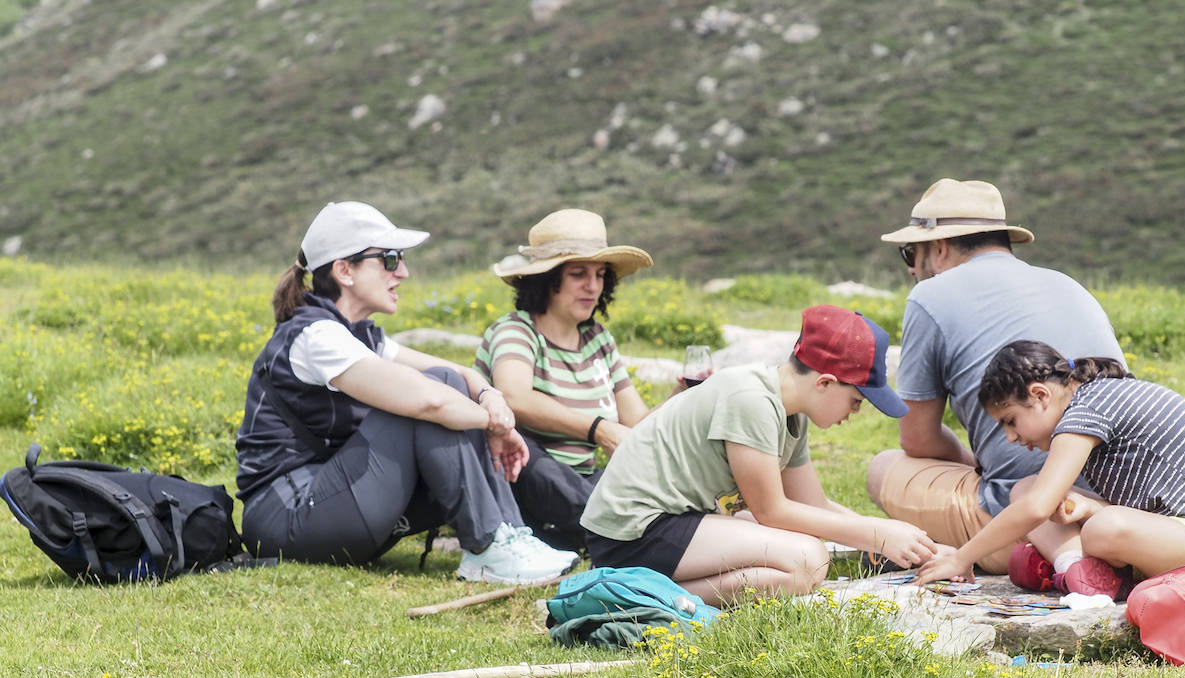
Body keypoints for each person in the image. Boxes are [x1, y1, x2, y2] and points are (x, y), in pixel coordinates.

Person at [235, 201, 577, 583]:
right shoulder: (316, 337)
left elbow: (459, 373)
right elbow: (431, 401)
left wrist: (490, 399)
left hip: (333, 498)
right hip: (286, 516)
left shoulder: (357, 334)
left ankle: (505, 537)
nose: (404, 272)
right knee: (429, 401)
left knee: (442, 384)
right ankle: (488, 546)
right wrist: (495, 426)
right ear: (344, 270)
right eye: (390, 259)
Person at [580, 305, 939, 608]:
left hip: (674, 522)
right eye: (857, 400)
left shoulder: (791, 411)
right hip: (633, 532)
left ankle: (645, 591)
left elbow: (814, 506)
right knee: (808, 561)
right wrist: (877, 533)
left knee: (801, 563)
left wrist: (917, 546)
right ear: (825, 382)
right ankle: (629, 596)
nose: (856, 413)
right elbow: (773, 512)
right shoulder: (751, 400)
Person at [866, 178, 1124, 573]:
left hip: (1025, 512)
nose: (911, 271)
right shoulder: (1068, 284)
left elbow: (917, 439)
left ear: (939, 248)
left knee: (882, 467)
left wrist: (977, 464)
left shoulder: (930, 296)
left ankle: (1034, 550)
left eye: (909, 255)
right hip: (1116, 502)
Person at [916, 340, 1185, 599]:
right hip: (1174, 527)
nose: (1010, 437)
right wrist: (1090, 505)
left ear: (1040, 395)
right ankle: (1077, 569)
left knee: (1099, 528)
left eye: (1010, 421)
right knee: (1024, 488)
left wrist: (963, 557)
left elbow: (1038, 508)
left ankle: (1110, 577)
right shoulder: (1091, 398)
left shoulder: (1086, 411)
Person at [476, 208, 671, 552]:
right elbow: (515, 397)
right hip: (523, 472)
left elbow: (637, 423)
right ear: (547, 279)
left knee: (609, 490)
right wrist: (598, 429)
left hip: (580, 480)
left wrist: (684, 396)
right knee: (535, 459)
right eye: (578, 274)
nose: (592, 286)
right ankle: (619, 529)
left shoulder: (598, 338)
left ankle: (593, 530)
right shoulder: (516, 331)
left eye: (600, 275)